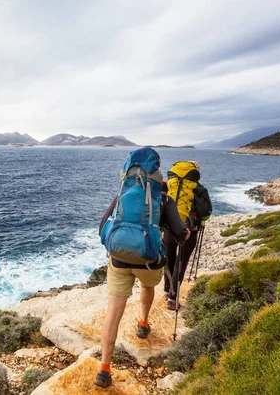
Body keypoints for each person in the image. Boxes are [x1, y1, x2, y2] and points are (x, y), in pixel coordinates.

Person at [95, 148, 189, 388]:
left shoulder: (123, 193)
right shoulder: (164, 199)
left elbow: (103, 224)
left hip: (118, 260)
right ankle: (143, 323)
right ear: (156, 172)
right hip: (148, 260)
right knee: (148, 286)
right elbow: (179, 233)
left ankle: (104, 369)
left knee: (113, 315)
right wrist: (183, 234)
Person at [163, 161, 212, 310]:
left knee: (169, 259)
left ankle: (166, 291)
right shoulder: (198, 189)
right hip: (190, 230)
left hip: (169, 228)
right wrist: (197, 219)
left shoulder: (169, 185)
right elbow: (206, 213)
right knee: (181, 262)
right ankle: (172, 298)